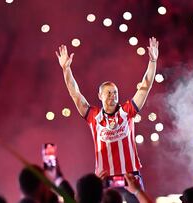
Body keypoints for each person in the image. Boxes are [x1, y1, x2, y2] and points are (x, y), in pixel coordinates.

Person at [56, 37, 159, 201]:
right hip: (104, 179)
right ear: (100, 95)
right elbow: (75, 94)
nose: (113, 95)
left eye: (115, 92)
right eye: (109, 92)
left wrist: (152, 61)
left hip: (130, 176)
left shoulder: (127, 111)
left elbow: (145, 87)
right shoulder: (93, 116)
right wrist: (66, 69)